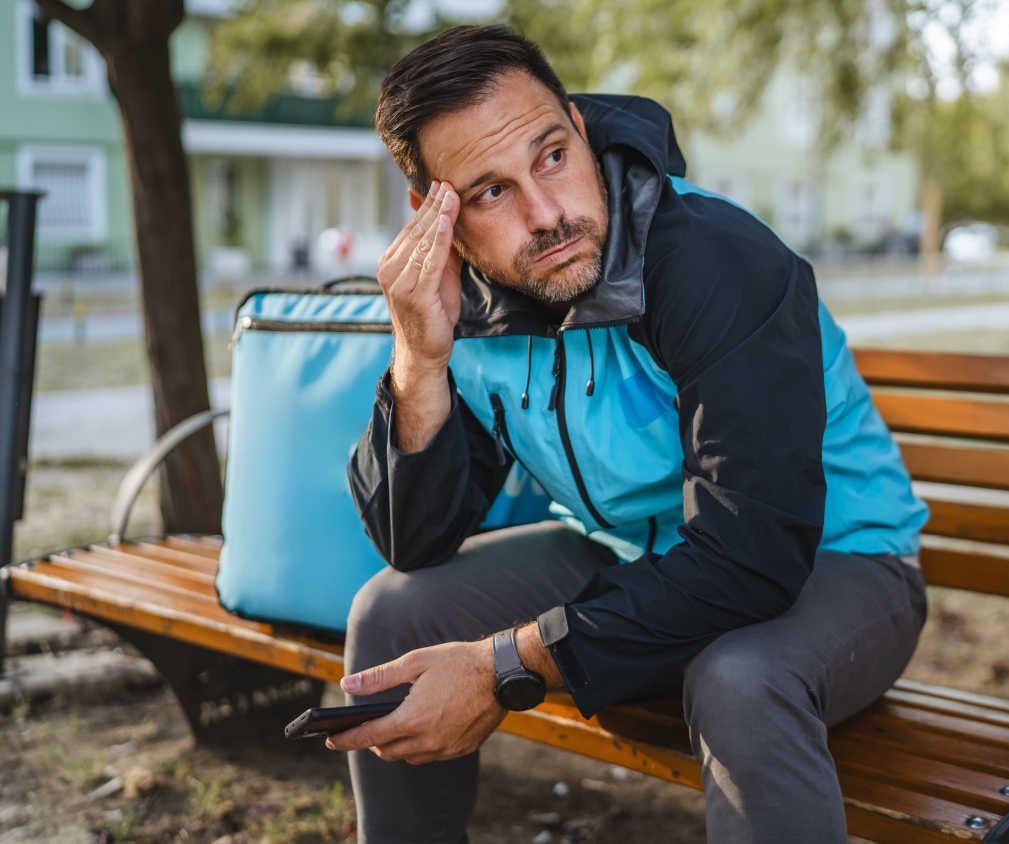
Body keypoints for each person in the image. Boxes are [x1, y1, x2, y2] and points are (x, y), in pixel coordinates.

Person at [327, 24, 930, 844]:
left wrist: (507, 662)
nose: (548, 214)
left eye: (549, 157)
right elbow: (415, 537)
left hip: (838, 560)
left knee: (741, 675)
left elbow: (753, 559)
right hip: (627, 552)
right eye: (491, 192)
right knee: (394, 614)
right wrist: (419, 358)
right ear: (439, 214)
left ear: (579, 128)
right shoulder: (457, 304)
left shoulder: (713, 259)